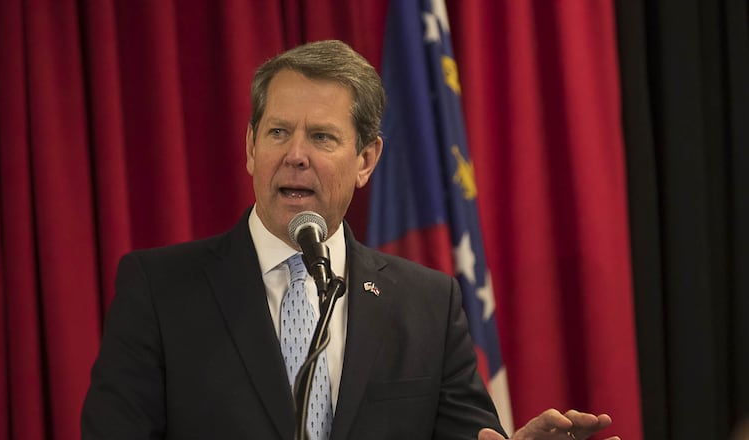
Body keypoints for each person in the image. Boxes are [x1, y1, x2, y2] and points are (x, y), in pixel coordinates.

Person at [81, 39, 617, 440]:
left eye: (321, 136)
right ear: (249, 147)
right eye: (277, 132)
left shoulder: (427, 303)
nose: (295, 154)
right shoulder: (160, 289)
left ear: (366, 160)